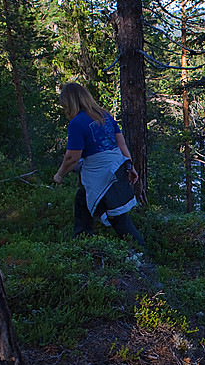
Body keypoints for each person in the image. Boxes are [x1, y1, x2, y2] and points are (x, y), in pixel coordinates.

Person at [53, 82, 145, 248]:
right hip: (118, 167)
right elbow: (121, 145)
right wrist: (130, 166)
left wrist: (59, 175)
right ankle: (83, 242)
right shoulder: (105, 116)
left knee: (118, 217)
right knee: (83, 199)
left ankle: (141, 252)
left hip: (102, 174)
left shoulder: (77, 123)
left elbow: (72, 158)